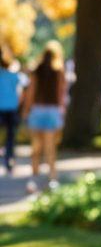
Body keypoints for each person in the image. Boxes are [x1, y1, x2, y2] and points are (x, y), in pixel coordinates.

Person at [21, 40, 67, 193]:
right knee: (50, 148)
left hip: (37, 111)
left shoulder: (36, 71)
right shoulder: (59, 72)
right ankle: (52, 179)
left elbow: (30, 93)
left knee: (36, 148)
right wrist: (62, 113)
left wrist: (26, 110)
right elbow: (62, 95)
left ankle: (33, 179)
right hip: (52, 112)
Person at [0, 46, 28, 174]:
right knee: (10, 137)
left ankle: (8, 159)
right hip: (11, 108)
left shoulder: (12, 75)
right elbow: (22, 92)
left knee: (10, 136)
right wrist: (18, 103)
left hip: (4, 109)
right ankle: (9, 160)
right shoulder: (13, 75)